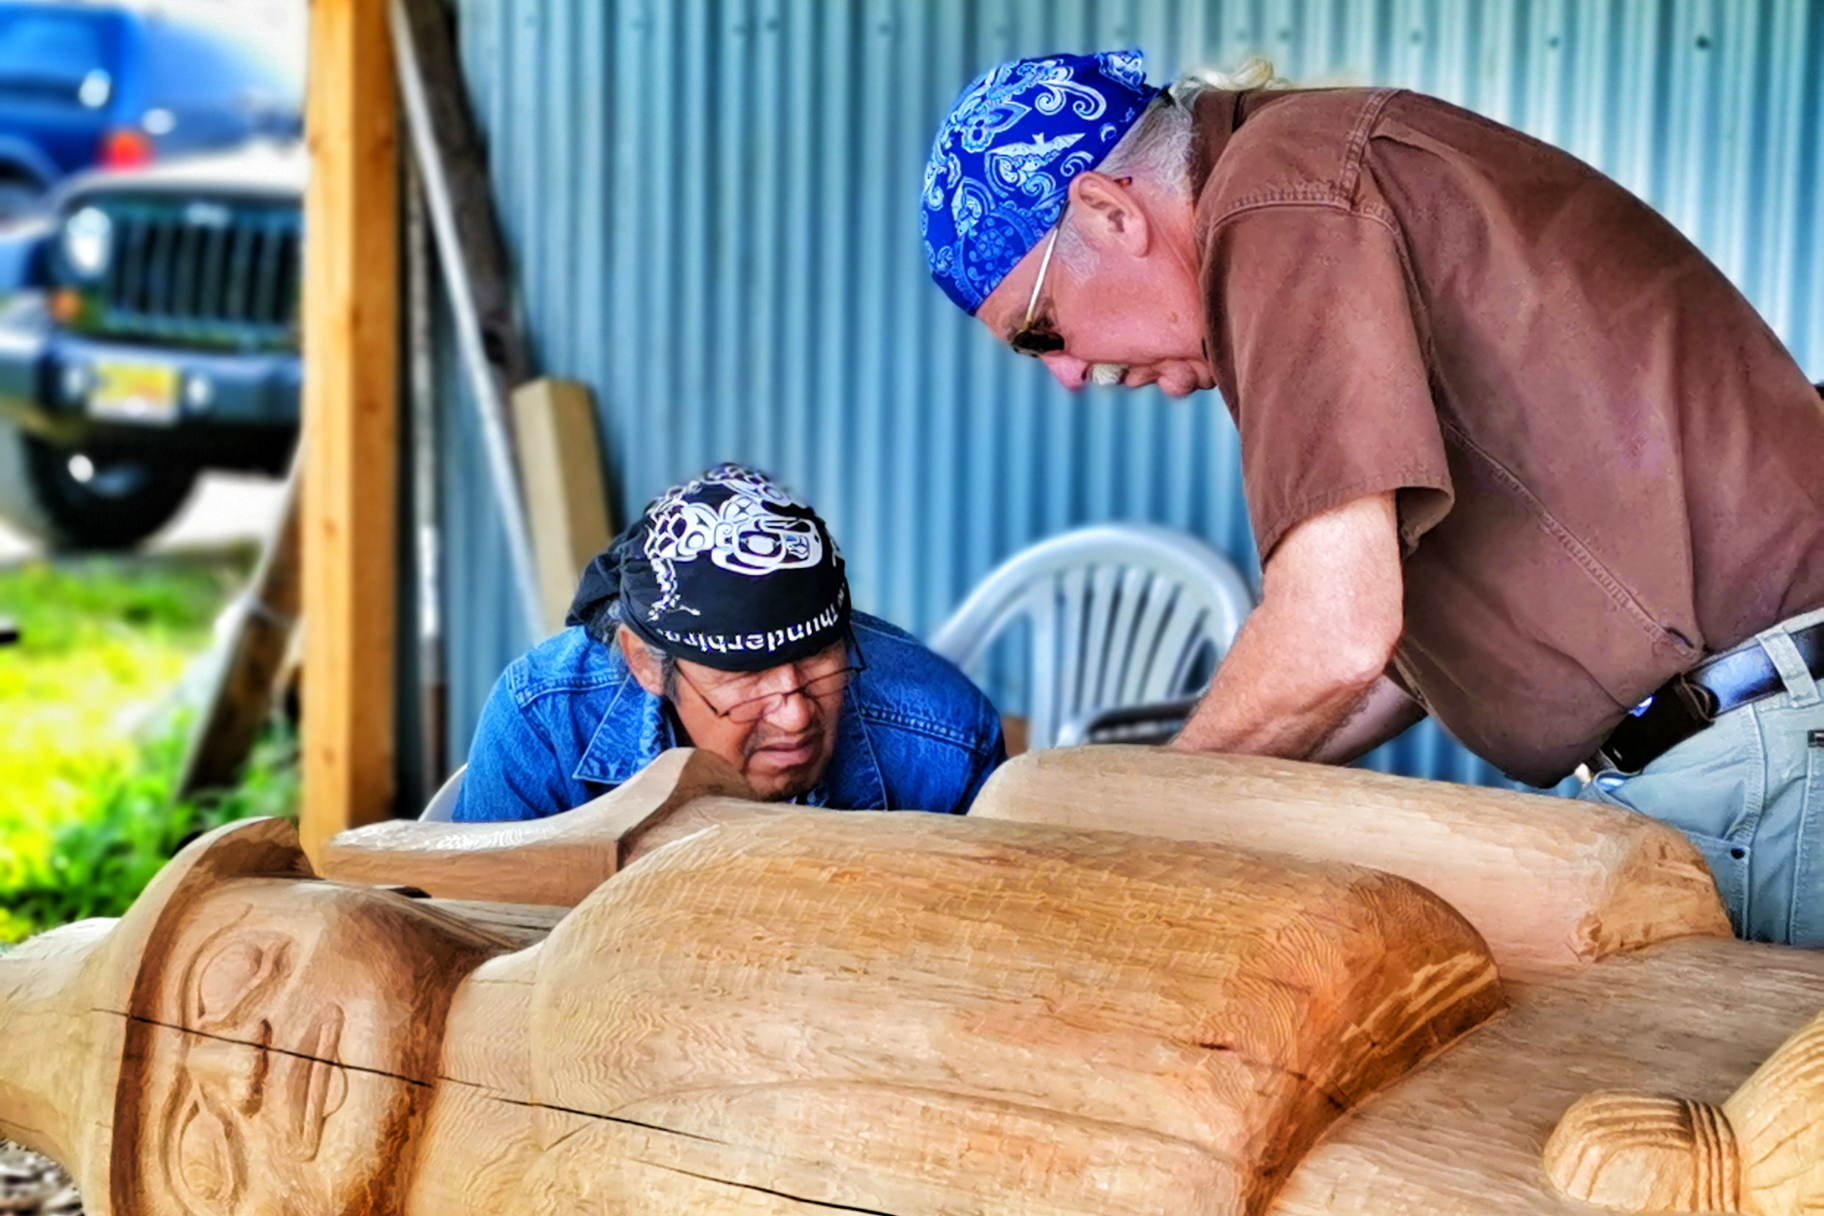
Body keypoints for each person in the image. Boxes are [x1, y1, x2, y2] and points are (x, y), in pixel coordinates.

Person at [921, 51, 1824, 944]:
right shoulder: (1309, 175)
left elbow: (1335, 633)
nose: (1071, 374)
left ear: (1111, 212)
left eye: (1038, 331)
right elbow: (1380, 659)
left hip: (1762, 748)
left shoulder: (1279, 194)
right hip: (1745, 744)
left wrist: (1118, 828)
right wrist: (1203, 784)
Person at [454, 462, 1004, 820]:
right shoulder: (544, 722)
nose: (794, 716)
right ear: (646, 663)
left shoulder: (946, 737)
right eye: (745, 674)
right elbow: (480, 938)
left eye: (818, 655)